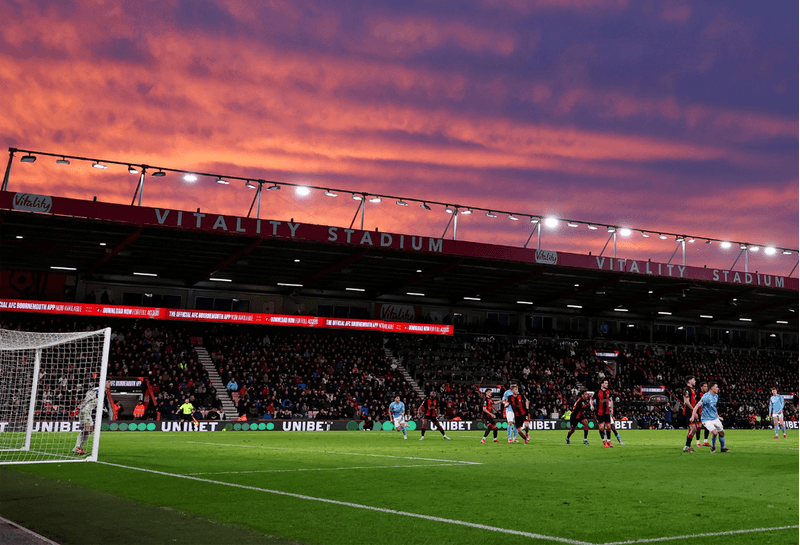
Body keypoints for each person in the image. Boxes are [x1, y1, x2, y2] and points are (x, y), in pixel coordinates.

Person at [691, 382, 729, 453]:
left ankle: (723, 448)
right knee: (714, 433)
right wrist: (693, 416)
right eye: (716, 387)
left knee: (722, 433)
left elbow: (714, 407)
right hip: (706, 419)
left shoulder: (716, 396)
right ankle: (713, 448)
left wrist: (718, 416)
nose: (718, 388)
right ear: (712, 388)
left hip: (715, 418)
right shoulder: (706, 396)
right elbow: (696, 406)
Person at [70, 381, 101, 455]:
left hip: (88, 412)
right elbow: (86, 399)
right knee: (87, 429)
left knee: (89, 430)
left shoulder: (102, 392)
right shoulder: (97, 390)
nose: (110, 384)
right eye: (108, 382)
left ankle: (77, 447)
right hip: (84, 411)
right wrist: (77, 409)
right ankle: (78, 447)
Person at [682, 376, 700, 452]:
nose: (695, 381)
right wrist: (693, 410)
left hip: (690, 410)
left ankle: (687, 447)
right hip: (688, 411)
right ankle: (686, 446)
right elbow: (687, 401)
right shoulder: (687, 390)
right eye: (693, 379)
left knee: (691, 429)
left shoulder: (691, 389)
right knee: (693, 429)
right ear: (689, 381)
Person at [593, 380, 613, 448]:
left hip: (607, 412)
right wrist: (592, 405)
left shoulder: (609, 391)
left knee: (609, 427)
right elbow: (591, 399)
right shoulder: (597, 392)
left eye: (607, 383)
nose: (607, 384)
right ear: (602, 384)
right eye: (605, 383)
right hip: (599, 412)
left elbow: (611, 400)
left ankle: (609, 441)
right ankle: (604, 441)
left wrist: (612, 408)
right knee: (601, 428)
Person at [695, 382, 711, 447]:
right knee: (699, 427)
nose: (706, 388)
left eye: (706, 386)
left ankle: (705, 441)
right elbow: (695, 403)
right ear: (701, 387)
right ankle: (698, 442)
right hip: (699, 413)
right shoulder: (698, 394)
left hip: (706, 413)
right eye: (704, 386)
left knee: (707, 427)